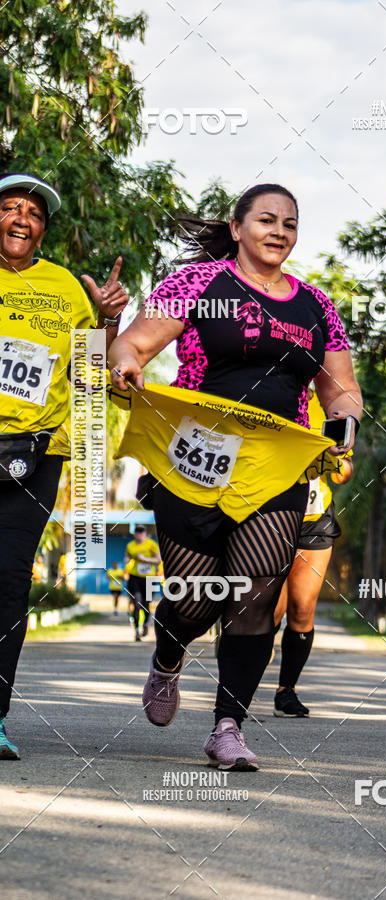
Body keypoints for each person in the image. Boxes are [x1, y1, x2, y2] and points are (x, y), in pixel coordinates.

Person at [108, 182, 362, 770]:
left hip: (276, 466)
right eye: (267, 220)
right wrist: (125, 367)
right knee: (197, 600)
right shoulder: (199, 284)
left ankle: (228, 727)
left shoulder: (316, 306)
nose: (279, 231)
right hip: (195, 456)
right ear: (239, 225)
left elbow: (340, 389)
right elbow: (133, 345)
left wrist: (344, 423)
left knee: (255, 596)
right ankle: (168, 657)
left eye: (290, 224)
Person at [0, 173, 130, 760]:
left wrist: (105, 320)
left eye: (32, 212)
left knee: (7, 587)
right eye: (10, 207)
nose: (21, 218)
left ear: (44, 229)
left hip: (33, 457)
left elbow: (91, 373)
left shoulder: (63, 287)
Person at [272, 390, 352, 717]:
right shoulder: (263, 389)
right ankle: (236, 691)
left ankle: (286, 692)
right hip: (270, 512)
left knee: (302, 609)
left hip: (314, 515)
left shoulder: (330, 404)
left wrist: (338, 462)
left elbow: (344, 470)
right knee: (266, 612)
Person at [125, 526, 160, 641]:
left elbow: (158, 560)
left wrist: (145, 559)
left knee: (146, 604)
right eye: (137, 533)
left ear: (145, 534)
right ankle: (136, 631)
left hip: (149, 579)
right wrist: (127, 560)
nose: (139, 535)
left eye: (141, 532)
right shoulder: (130, 546)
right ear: (134, 534)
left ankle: (145, 625)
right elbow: (127, 557)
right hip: (135, 578)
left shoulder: (151, 544)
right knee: (136, 604)